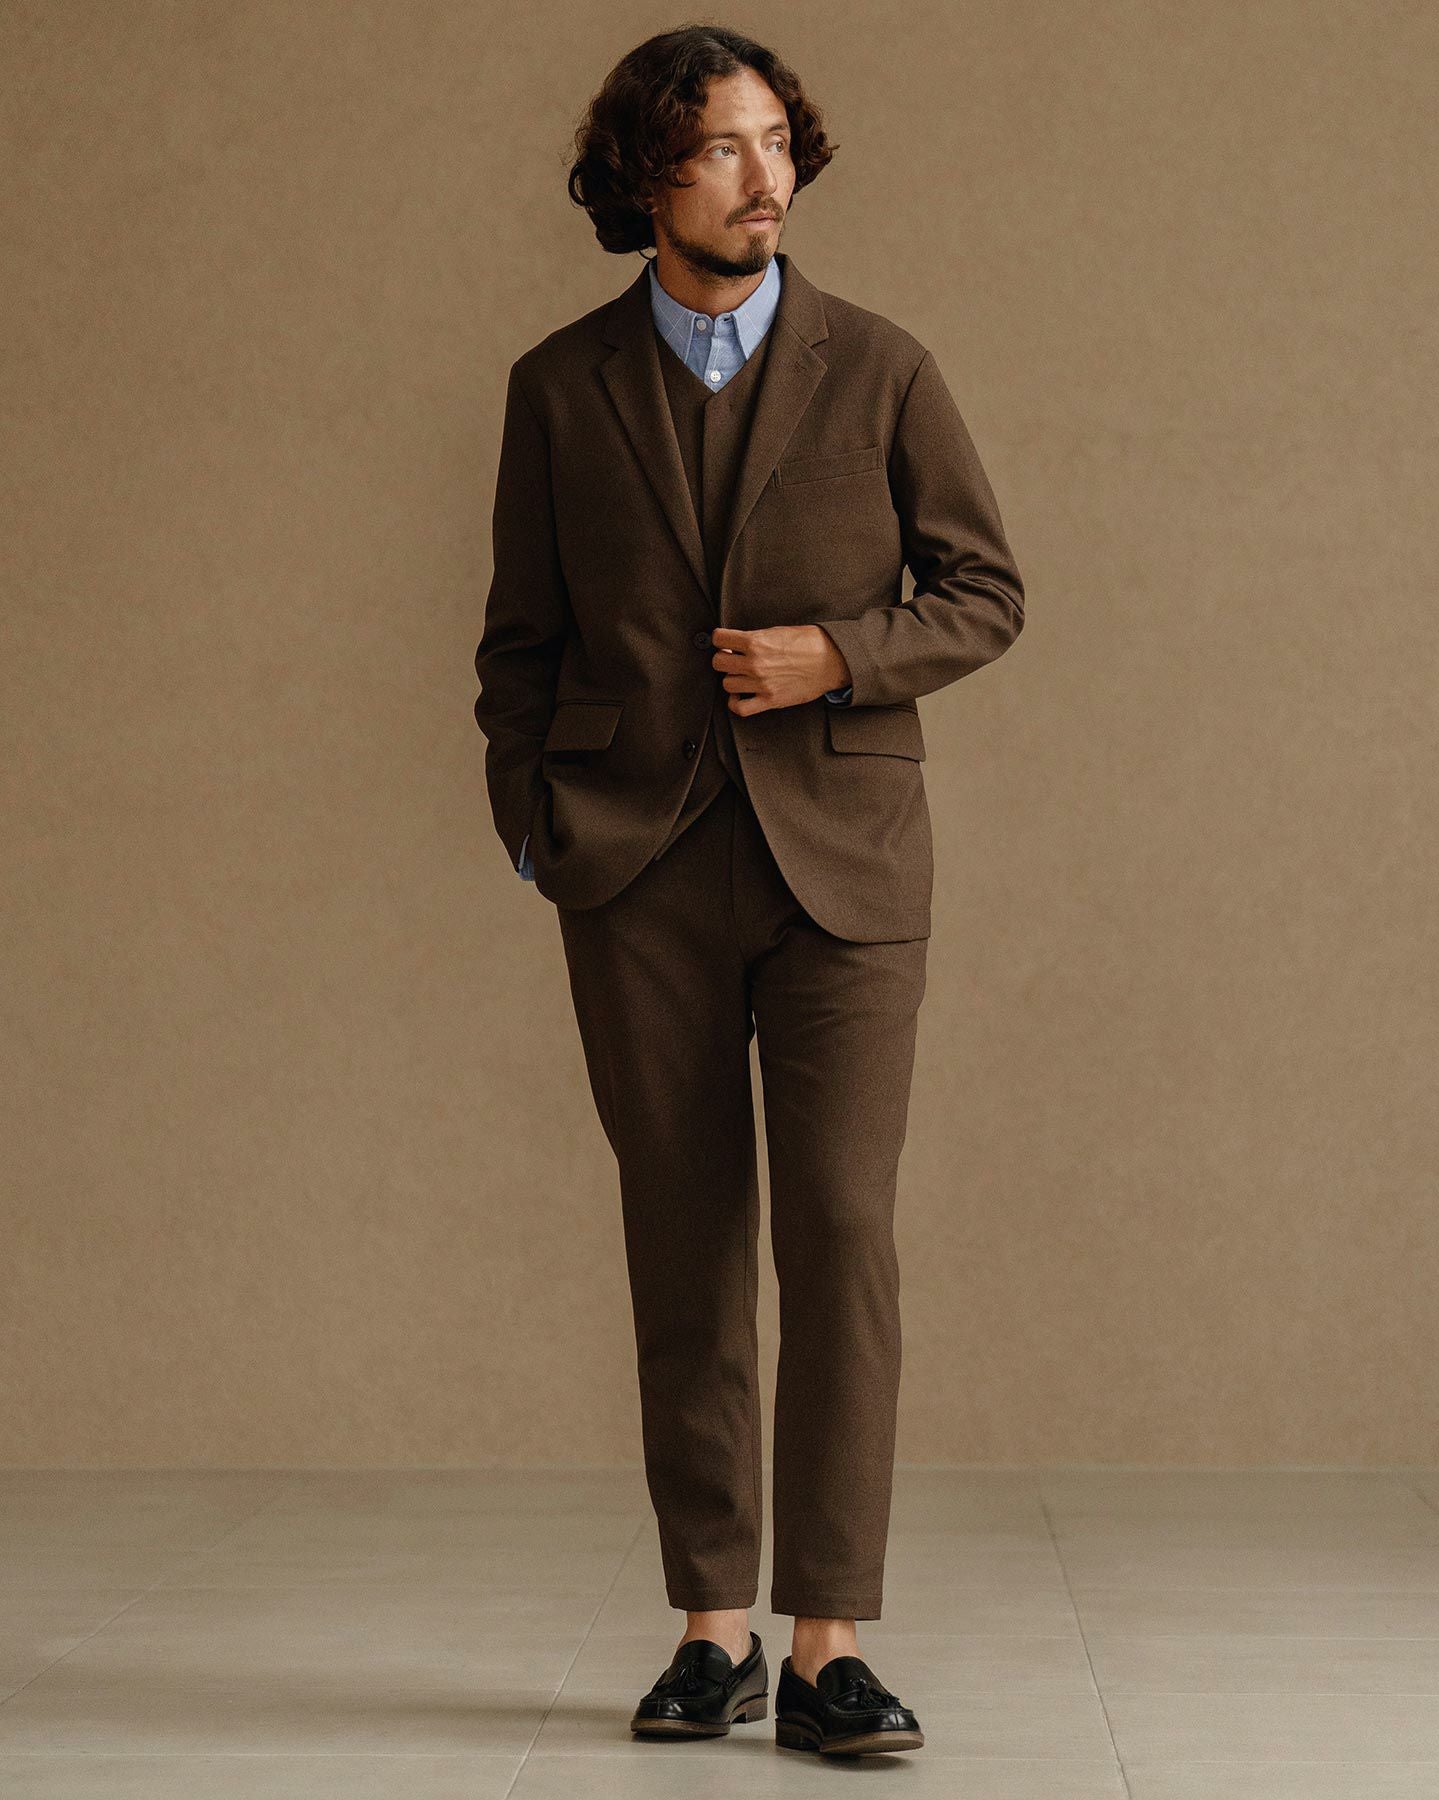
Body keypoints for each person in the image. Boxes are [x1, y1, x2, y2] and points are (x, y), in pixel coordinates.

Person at [473, 23, 1024, 1757]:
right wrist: (536, 826)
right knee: (685, 1237)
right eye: (722, 146)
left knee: (841, 1233)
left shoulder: (884, 367)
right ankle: (711, 1627)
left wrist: (840, 657)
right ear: (647, 173)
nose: (763, 175)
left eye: (777, 142)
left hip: (844, 865)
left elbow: (986, 591)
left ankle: (828, 1642)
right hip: (636, 870)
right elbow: (518, 642)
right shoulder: (558, 387)